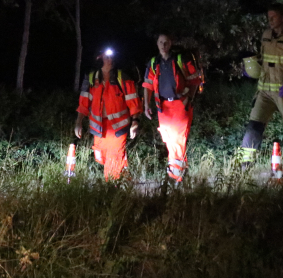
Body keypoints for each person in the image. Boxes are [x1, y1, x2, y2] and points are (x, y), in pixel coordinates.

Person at [238, 3, 283, 178]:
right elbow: (264, 60)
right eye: (268, 17)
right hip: (264, 92)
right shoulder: (265, 36)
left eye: (273, 17)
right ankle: (242, 171)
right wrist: (251, 69)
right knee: (253, 128)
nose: (270, 20)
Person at [142, 34, 203, 185]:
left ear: (171, 43)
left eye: (166, 42)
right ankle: (180, 173)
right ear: (157, 44)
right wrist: (146, 105)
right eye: (161, 42)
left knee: (177, 141)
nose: (163, 45)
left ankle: (175, 177)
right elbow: (148, 84)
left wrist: (189, 98)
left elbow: (196, 79)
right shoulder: (153, 63)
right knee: (170, 141)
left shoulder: (181, 59)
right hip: (163, 107)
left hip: (179, 104)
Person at [75, 48, 142, 181]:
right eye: (106, 57)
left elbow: (133, 100)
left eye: (111, 58)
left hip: (117, 129)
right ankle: (125, 185)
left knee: (113, 161)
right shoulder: (91, 78)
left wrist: (135, 121)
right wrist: (78, 122)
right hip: (98, 128)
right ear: (99, 58)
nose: (109, 60)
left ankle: (111, 191)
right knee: (102, 158)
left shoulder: (121, 77)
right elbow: (84, 102)